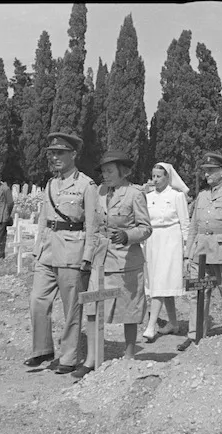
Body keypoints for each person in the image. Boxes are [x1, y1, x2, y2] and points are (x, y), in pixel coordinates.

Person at [74, 150, 152, 377]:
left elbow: (146, 228)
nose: (105, 176)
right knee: (92, 305)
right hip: (101, 258)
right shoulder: (98, 193)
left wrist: (128, 235)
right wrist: (88, 255)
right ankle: (91, 359)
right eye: (103, 172)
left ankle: (129, 356)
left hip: (126, 260)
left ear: (123, 172)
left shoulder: (134, 194)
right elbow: (93, 225)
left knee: (129, 309)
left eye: (109, 171)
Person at [25, 132, 97, 375]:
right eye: (51, 153)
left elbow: (92, 225)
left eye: (59, 153)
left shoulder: (86, 185)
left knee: (71, 308)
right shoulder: (50, 184)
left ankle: (69, 357)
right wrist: (37, 249)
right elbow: (44, 218)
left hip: (72, 250)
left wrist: (87, 256)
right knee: (37, 300)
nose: (54, 157)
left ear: (73, 155)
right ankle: (42, 349)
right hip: (47, 250)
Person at [178, 152, 222, 352]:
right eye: (205, 171)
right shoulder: (202, 195)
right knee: (198, 294)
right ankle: (195, 335)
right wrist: (187, 253)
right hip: (200, 252)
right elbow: (194, 227)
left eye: (211, 171)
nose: (206, 175)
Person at [141, 162, 190, 342]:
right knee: (160, 282)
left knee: (161, 282)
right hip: (154, 241)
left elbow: (185, 224)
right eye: (153, 176)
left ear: (167, 178)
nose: (155, 180)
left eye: (159, 176)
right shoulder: (148, 197)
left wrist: (186, 249)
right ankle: (173, 323)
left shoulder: (177, 197)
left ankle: (151, 325)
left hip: (171, 241)